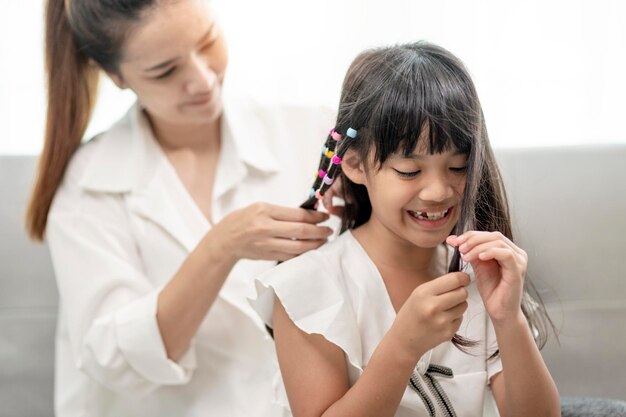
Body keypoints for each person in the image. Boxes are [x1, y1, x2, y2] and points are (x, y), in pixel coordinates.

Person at [25, 0, 335, 416]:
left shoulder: (313, 132)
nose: (203, 79)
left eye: (208, 41)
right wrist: (221, 247)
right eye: (165, 71)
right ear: (117, 76)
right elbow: (114, 361)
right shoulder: (89, 185)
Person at [250, 41, 561, 417]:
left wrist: (509, 320)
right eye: (409, 171)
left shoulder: (478, 272)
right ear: (354, 164)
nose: (439, 191)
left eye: (459, 166)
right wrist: (402, 346)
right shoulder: (309, 287)